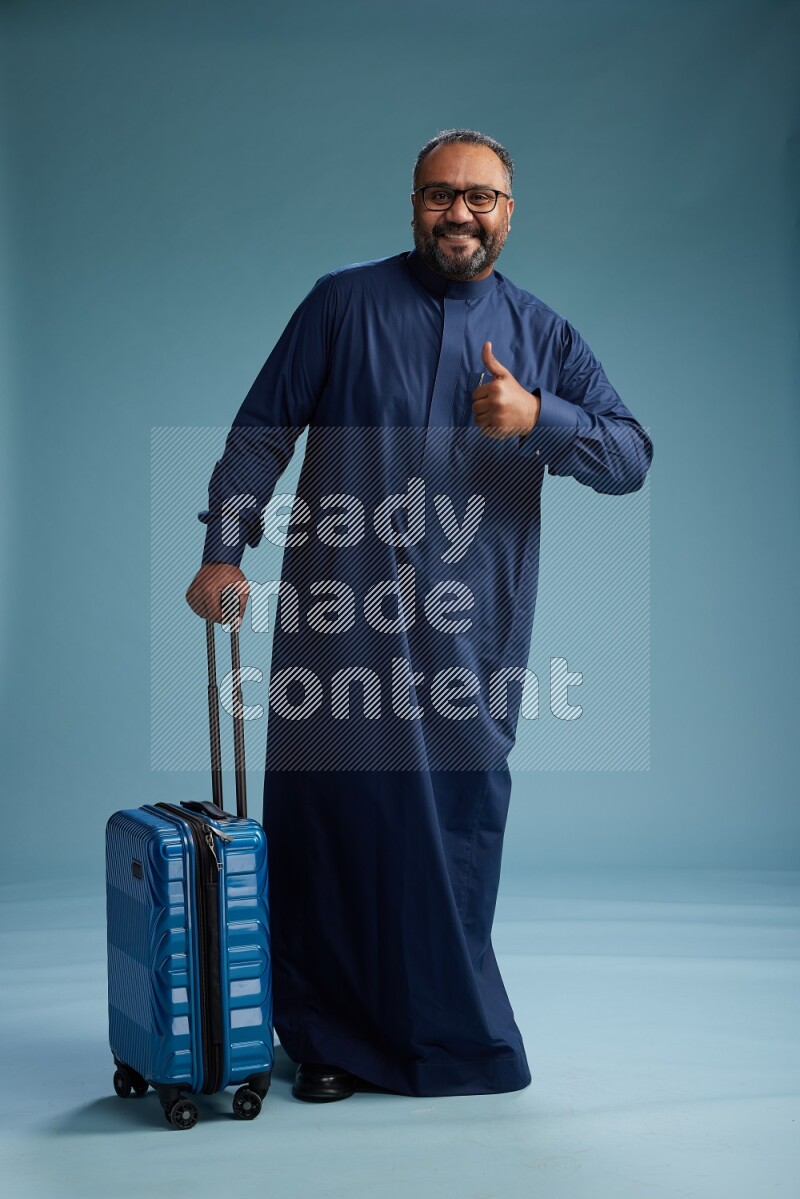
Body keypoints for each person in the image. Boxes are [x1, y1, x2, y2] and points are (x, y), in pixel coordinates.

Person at [186, 129, 653, 1102]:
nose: (460, 213)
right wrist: (222, 550)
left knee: (450, 826)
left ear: (508, 213)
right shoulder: (341, 304)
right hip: (336, 616)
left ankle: (443, 1035)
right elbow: (263, 426)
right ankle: (325, 1037)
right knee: (337, 822)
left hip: (466, 633)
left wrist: (539, 420)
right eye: (441, 195)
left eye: (480, 197)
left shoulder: (543, 336)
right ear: (413, 205)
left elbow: (630, 454)